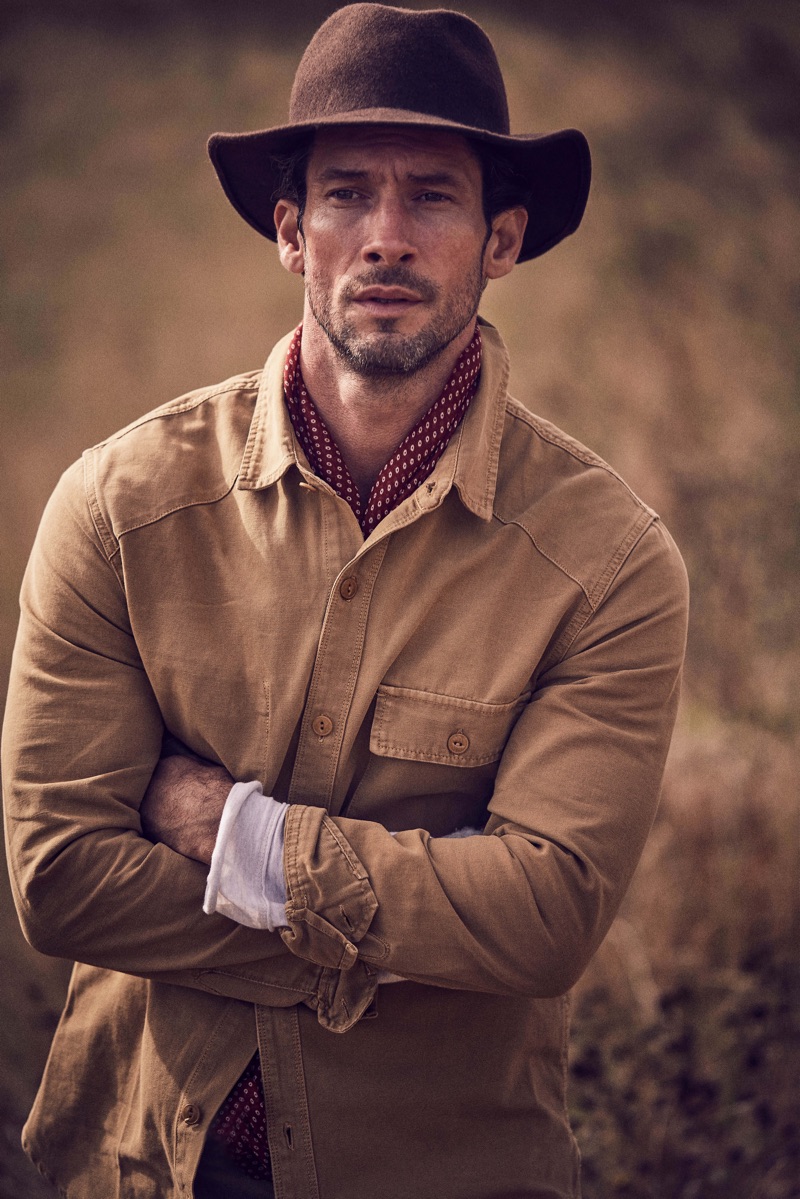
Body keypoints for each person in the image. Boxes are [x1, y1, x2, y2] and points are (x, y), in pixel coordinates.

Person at [1, 5, 689, 1198]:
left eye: (431, 195)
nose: (384, 238)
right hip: (147, 1157)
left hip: (443, 1167)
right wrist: (401, 928)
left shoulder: (609, 561)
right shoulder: (119, 505)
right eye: (342, 196)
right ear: (288, 231)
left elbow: (542, 917)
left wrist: (233, 838)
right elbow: (60, 873)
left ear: (500, 240)